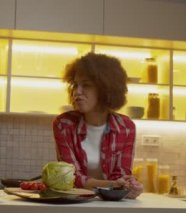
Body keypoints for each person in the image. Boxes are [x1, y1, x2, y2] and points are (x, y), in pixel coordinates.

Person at [53, 52, 143, 199]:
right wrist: (114, 184)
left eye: (86, 85)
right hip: (75, 203)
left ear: (106, 89)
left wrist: (130, 185)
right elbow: (71, 177)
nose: (77, 92)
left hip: (110, 204)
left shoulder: (126, 127)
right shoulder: (63, 124)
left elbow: (120, 175)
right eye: (75, 85)